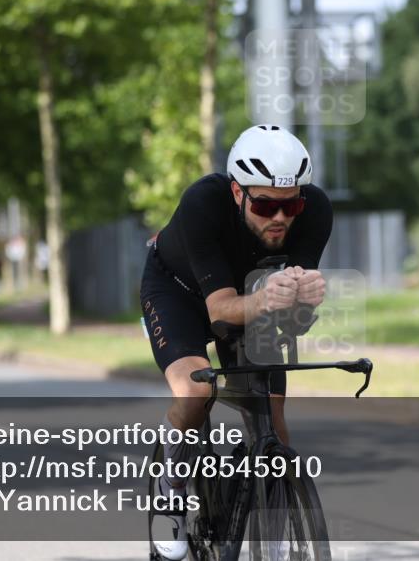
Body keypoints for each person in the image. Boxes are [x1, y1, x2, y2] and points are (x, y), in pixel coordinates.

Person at [141, 124, 332, 560]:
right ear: (237, 192)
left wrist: (306, 301)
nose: (280, 217)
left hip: (252, 299)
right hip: (181, 295)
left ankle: (275, 539)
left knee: (273, 417)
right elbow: (220, 311)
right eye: (264, 205)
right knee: (195, 391)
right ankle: (169, 490)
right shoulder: (203, 203)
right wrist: (268, 299)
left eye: (291, 204)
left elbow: (292, 321)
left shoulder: (316, 210)